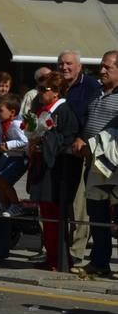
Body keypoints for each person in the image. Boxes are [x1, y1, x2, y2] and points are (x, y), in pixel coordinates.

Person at [30, 70, 82, 271]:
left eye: (44, 89)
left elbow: (67, 138)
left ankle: (61, 259)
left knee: (56, 217)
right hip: (44, 169)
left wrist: (44, 139)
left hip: (58, 172)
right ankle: (51, 256)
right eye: (39, 88)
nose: (40, 92)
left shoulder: (65, 111)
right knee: (47, 217)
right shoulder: (45, 110)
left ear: (57, 92)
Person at [57, 50, 103, 266]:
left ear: (79, 67)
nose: (64, 67)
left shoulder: (91, 86)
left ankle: (76, 252)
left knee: (79, 204)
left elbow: (93, 115)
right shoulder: (57, 84)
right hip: (60, 153)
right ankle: (58, 249)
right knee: (60, 202)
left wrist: (82, 137)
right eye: (61, 64)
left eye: (68, 64)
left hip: (81, 151)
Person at [78, 51, 118, 278]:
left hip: (114, 167)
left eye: (107, 67)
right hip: (94, 166)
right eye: (101, 67)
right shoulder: (97, 93)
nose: (101, 71)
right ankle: (100, 262)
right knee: (97, 215)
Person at [0, 93, 30, 224]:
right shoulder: (2, 124)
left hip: (21, 158)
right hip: (12, 157)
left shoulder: (16, 124)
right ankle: (3, 204)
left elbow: (25, 141)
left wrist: (8, 145)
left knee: (4, 179)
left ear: (12, 112)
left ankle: (16, 205)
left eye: (0, 111)